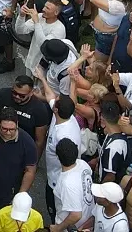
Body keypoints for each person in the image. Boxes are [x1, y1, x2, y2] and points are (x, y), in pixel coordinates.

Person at [35, 64, 82, 223]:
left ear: (55, 110)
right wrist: (42, 78)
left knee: (57, 212)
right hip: (54, 175)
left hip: (58, 180)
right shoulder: (67, 116)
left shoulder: (64, 136)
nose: (55, 99)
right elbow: (50, 96)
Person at [0, 76, 51, 161]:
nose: (17, 96)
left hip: (22, 148)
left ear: (31, 92)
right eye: (14, 93)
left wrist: (33, 163)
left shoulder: (39, 109)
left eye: (22, 96)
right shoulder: (1, 95)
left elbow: (39, 141)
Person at [52, 138, 95, 231]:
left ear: (58, 157)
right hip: (88, 219)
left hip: (73, 227)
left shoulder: (67, 183)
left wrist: (58, 228)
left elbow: (76, 215)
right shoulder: (83, 164)